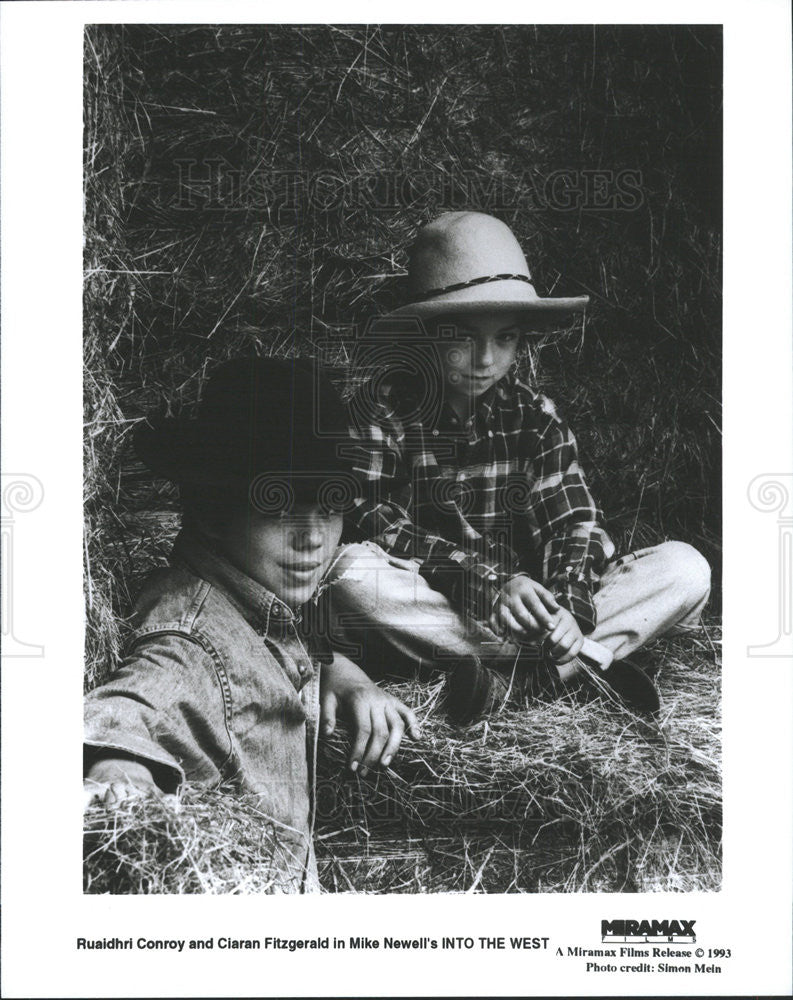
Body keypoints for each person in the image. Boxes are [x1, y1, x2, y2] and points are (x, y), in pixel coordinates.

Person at [324, 212, 711, 721]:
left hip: (534, 615)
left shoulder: (535, 417)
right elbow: (371, 520)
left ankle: (524, 682)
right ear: (425, 333)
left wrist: (569, 611)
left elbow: (574, 524)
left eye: (504, 338)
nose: (485, 359)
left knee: (686, 569)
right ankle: (581, 667)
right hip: (449, 609)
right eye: (463, 337)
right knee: (351, 572)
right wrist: (487, 583)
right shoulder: (382, 412)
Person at [83, 358, 419, 892]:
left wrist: (340, 673)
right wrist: (119, 772)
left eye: (328, 510)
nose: (312, 539)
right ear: (216, 510)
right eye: (281, 508)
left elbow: (274, 645)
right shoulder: (191, 638)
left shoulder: (246, 596)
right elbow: (135, 704)